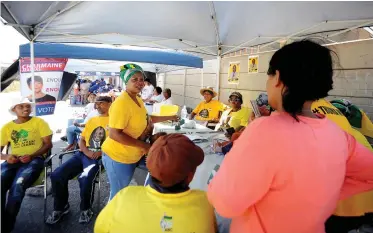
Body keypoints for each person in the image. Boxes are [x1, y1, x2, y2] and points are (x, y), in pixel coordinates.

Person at [207, 40, 373, 233]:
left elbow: (225, 202)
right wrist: (324, 192)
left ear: (277, 77)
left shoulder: (263, 131)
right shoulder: (339, 135)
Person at [95, 134, 217, 233]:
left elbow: (100, 228)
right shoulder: (204, 203)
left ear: (149, 165)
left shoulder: (124, 196)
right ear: (190, 176)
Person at [101, 63, 178, 200]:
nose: (139, 82)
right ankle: (112, 220)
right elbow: (114, 134)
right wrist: (146, 147)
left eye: (141, 79)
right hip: (119, 156)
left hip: (134, 153)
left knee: (161, 168)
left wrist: (170, 117)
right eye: (134, 79)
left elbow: (147, 118)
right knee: (119, 194)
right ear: (126, 82)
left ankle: (145, 202)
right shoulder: (121, 103)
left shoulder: (137, 99)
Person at [46, 96, 112, 225]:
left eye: (101, 104)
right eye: (96, 104)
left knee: (85, 178)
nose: (97, 106)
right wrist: (86, 151)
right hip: (82, 153)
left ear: (110, 104)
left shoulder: (115, 120)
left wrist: (100, 152)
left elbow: (117, 142)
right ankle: (61, 207)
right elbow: (81, 139)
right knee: (57, 175)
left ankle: (86, 209)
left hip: (99, 157)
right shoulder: (93, 120)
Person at [1, 97, 53, 233]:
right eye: (21, 106)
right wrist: (7, 157)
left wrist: (32, 155)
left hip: (35, 160)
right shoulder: (7, 127)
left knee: (18, 185)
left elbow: (48, 144)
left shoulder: (39, 122)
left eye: (28, 106)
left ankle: (7, 226)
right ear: (14, 109)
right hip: (14, 161)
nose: (26, 109)